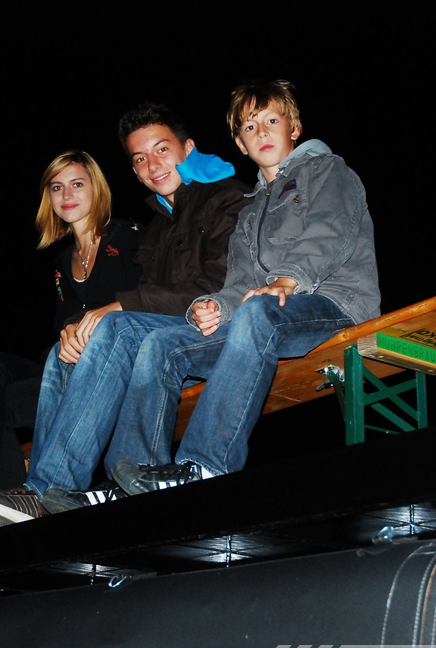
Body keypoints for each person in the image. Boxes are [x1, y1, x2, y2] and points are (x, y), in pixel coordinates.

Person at [0, 103, 252, 526]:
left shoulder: (220, 199)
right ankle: (29, 495)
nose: (152, 165)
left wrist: (117, 306)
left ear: (188, 148)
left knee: (111, 326)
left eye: (162, 149)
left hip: (213, 330)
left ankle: (45, 489)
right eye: (140, 158)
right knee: (57, 353)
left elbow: (217, 285)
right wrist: (73, 329)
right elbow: (144, 300)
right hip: (160, 334)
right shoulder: (157, 227)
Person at [109, 78, 380, 494]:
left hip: (335, 302)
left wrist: (287, 280)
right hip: (271, 316)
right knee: (163, 343)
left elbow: (330, 233)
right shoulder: (250, 211)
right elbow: (239, 284)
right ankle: (134, 476)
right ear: (240, 143)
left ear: (294, 127)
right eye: (250, 127)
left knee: (259, 311)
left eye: (272, 121)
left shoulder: (327, 170)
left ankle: (206, 464)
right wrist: (215, 306)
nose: (262, 132)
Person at [0, 150, 142, 543]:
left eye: (77, 184)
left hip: (112, 369)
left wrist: (98, 320)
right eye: (57, 187)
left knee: (3, 399)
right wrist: (69, 329)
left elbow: (148, 299)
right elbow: (65, 319)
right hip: (66, 365)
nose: (66, 194)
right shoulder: (64, 259)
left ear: (97, 189)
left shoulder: (126, 236)